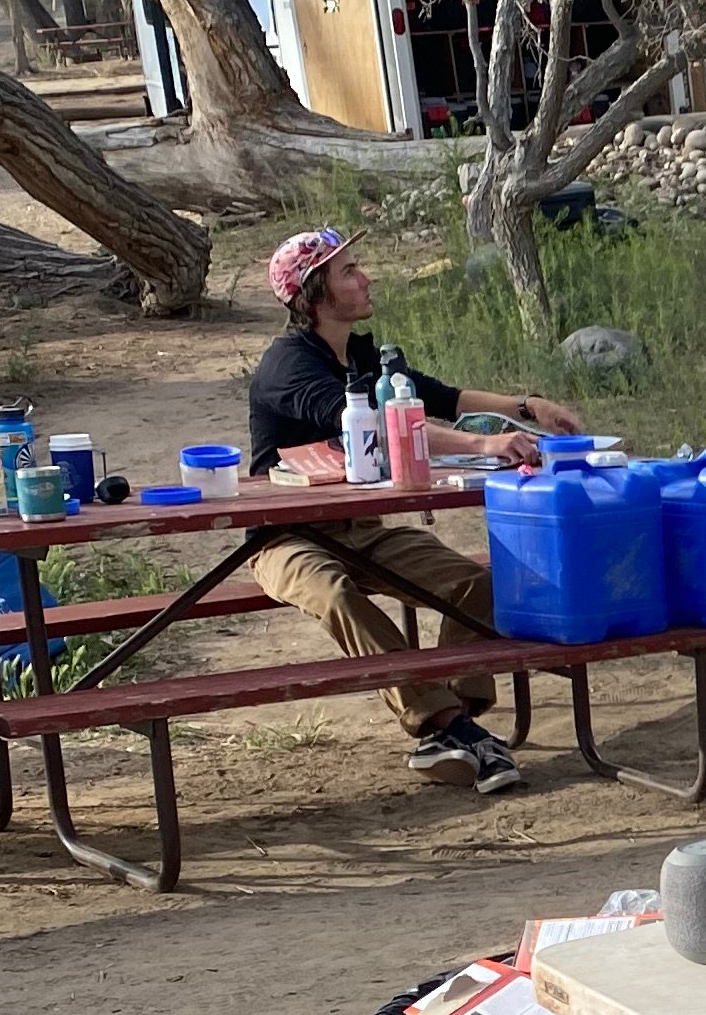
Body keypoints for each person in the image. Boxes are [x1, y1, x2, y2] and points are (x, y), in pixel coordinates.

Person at [241, 225, 588, 796]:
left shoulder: (358, 351)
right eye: (348, 270)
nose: (365, 276)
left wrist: (528, 407)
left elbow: (437, 397)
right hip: (285, 537)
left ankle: (455, 725)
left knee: (475, 583)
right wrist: (481, 445)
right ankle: (446, 724)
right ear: (314, 294)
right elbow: (378, 423)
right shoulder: (287, 364)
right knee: (334, 593)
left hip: (361, 528)